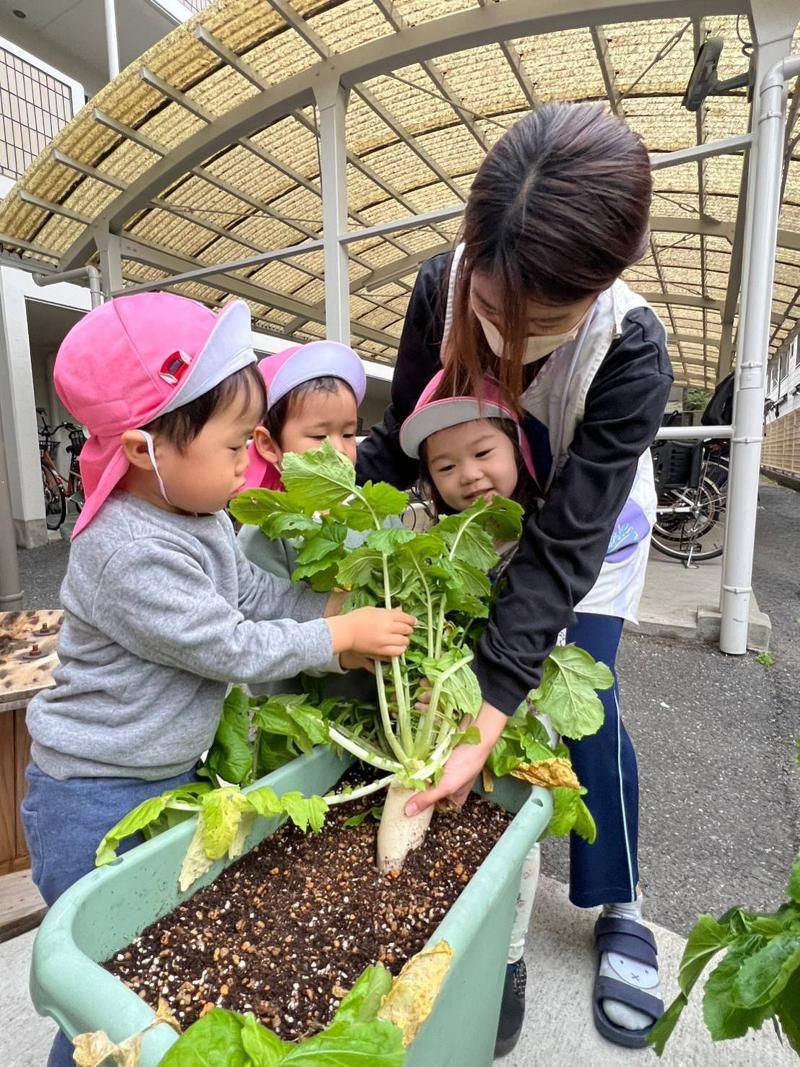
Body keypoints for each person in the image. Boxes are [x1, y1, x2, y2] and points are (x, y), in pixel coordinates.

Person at [22, 293, 415, 1067]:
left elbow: (255, 596)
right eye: (235, 445)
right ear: (144, 450)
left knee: (145, 968)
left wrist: (335, 606)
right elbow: (226, 643)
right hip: (91, 796)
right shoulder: (125, 549)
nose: (249, 462)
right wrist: (333, 636)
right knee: (104, 990)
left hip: (157, 775)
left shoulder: (196, 516)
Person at [358, 101, 673, 1053]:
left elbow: (565, 545)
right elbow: (404, 443)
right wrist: (341, 526)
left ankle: (621, 900)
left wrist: (496, 698)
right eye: (493, 309)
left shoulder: (631, 350)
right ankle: (500, 932)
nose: (509, 337)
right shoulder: (436, 287)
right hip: (475, 529)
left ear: (607, 280)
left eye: (545, 322)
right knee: (475, 714)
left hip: (593, 539)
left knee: (581, 707)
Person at [237, 338, 389, 696]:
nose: (338, 449)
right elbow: (261, 637)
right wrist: (345, 652)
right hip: (296, 722)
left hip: (374, 711)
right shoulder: (265, 532)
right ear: (269, 445)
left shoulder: (377, 517)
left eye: (349, 434)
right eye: (320, 435)